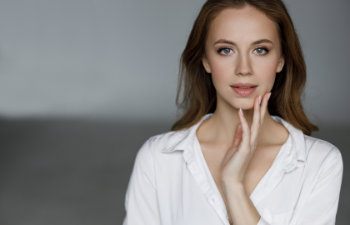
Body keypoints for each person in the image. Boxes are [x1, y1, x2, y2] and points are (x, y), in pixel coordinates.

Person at [122, 0, 343, 224]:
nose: (243, 69)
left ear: (281, 60)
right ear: (206, 60)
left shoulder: (319, 162)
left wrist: (233, 184)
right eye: (225, 50)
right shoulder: (159, 158)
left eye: (260, 50)